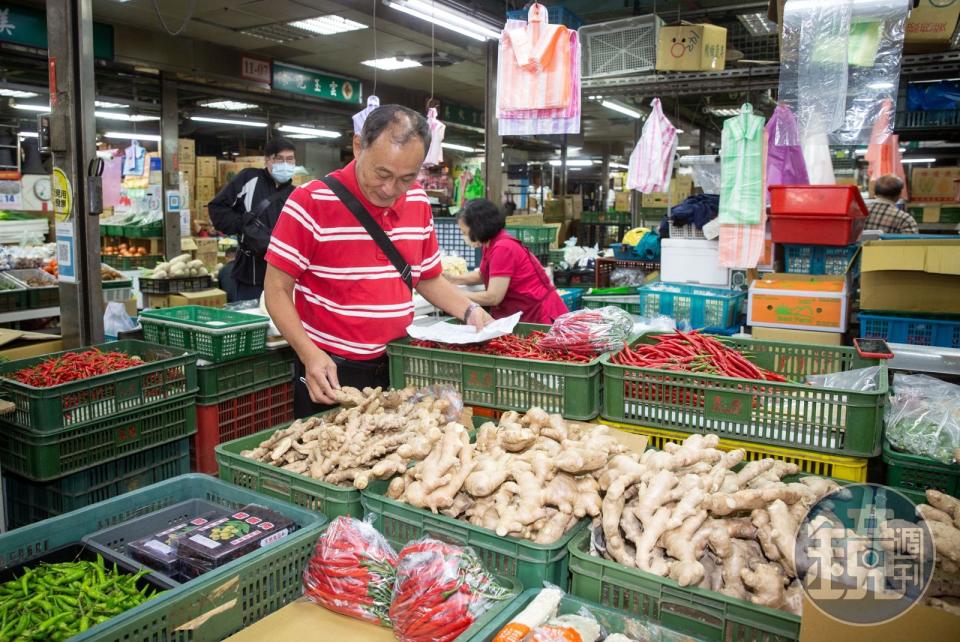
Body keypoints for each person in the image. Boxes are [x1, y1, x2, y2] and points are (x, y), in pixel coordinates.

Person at [264, 105, 493, 418]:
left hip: (398, 367)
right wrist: (309, 354)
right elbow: (276, 289)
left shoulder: (417, 201)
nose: (390, 189)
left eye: (406, 178)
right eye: (382, 174)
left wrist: (470, 310)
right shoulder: (310, 202)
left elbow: (426, 277)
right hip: (331, 370)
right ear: (359, 146)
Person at [445, 198, 568, 324]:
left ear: (478, 227)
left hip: (538, 314)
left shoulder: (502, 248)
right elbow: (483, 274)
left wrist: (456, 293)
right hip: (525, 312)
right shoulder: (490, 244)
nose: (463, 236)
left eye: (464, 232)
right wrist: (453, 279)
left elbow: (493, 297)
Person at [208, 137, 298, 301]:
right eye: (279, 159)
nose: (285, 164)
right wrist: (244, 228)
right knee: (252, 322)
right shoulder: (249, 179)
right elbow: (217, 208)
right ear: (267, 160)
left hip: (285, 278)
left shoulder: (297, 194)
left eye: (290, 159)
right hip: (250, 275)